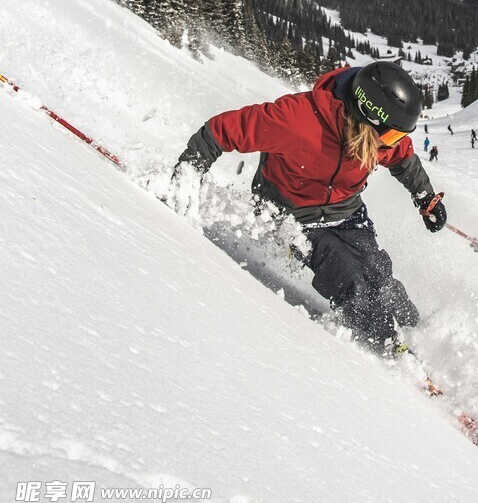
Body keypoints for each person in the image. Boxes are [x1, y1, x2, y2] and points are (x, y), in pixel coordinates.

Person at [169, 62, 447, 353]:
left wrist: (426, 197)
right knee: (351, 279)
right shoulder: (299, 120)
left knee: (381, 278)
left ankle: (419, 333)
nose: (393, 144)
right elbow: (223, 129)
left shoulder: (381, 141)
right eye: (391, 136)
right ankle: (392, 348)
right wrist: (187, 174)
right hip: (293, 215)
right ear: (368, 115)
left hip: (346, 211)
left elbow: (403, 160)